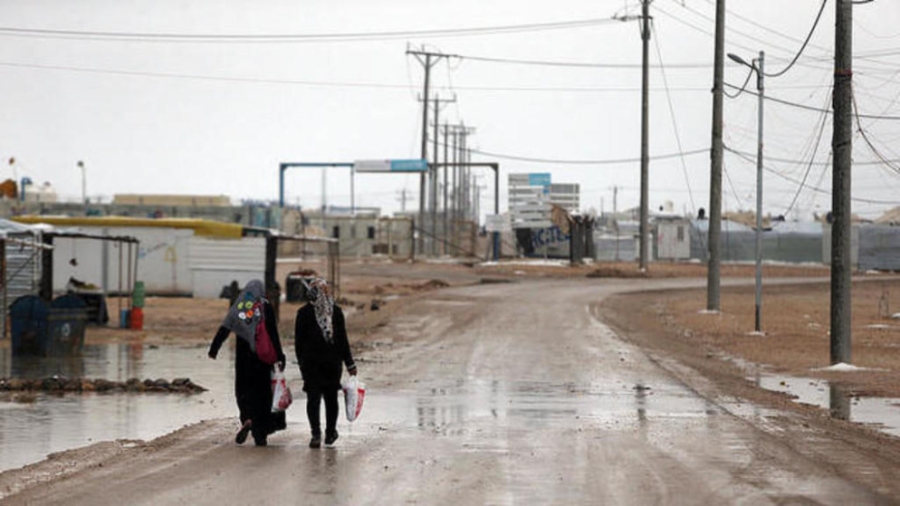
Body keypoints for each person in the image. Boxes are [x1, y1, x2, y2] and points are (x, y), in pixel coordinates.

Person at [208, 279, 287, 447]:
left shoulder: (240, 307)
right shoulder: (265, 307)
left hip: (244, 361)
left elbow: (225, 328)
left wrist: (214, 349)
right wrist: (280, 356)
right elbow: (273, 333)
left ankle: (247, 418)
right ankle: (260, 434)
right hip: (263, 360)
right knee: (262, 394)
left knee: (244, 391)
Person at [294, 276, 357, 448]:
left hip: (321, 365)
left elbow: (341, 338)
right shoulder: (313, 313)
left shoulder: (330, 312)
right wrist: (349, 364)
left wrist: (349, 363)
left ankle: (323, 433)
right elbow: (300, 342)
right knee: (323, 399)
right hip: (323, 364)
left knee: (321, 399)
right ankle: (323, 433)